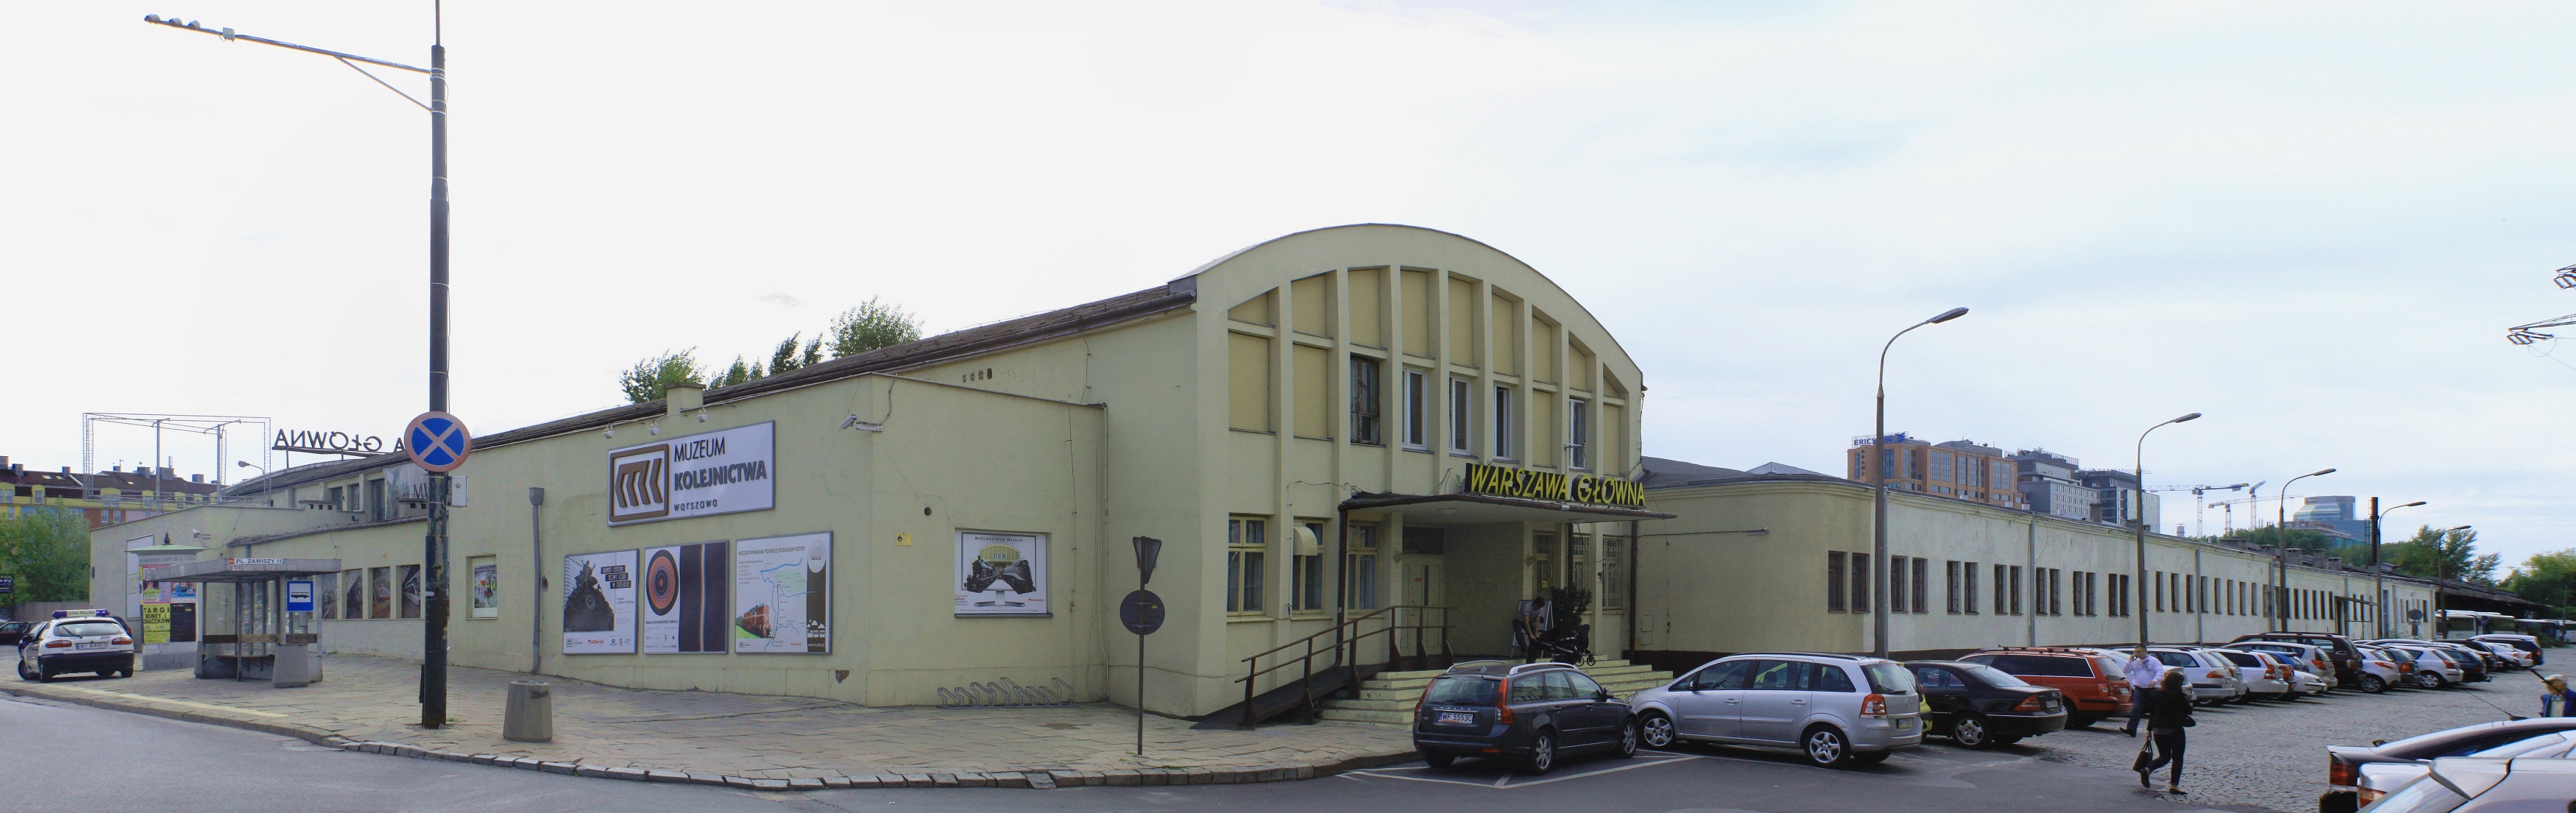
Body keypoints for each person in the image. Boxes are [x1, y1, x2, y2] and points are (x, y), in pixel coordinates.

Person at [2137, 670, 2193, 794]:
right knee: (2177, 758)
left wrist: (2149, 730)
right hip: (2175, 730)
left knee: (2164, 756)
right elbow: (2188, 711)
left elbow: (2152, 713)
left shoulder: (2156, 694)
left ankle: (2147, 770)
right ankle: (2174, 786)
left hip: (2158, 729)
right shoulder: (2178, 695)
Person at [2123, 645, 2164, 736]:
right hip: (2139, 689)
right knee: (2136, 708)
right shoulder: (2135, 662)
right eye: (2135, 652)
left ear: (2145, 652)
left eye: (2139, 652)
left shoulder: (2154, 661)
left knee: (2154, 709)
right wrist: (2130, 660)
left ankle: (2154, 728)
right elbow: (2125, 670)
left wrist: (2155, 680)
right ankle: (2131, 729)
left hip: (2152, 689)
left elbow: (2160, 672)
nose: (2136, 654)